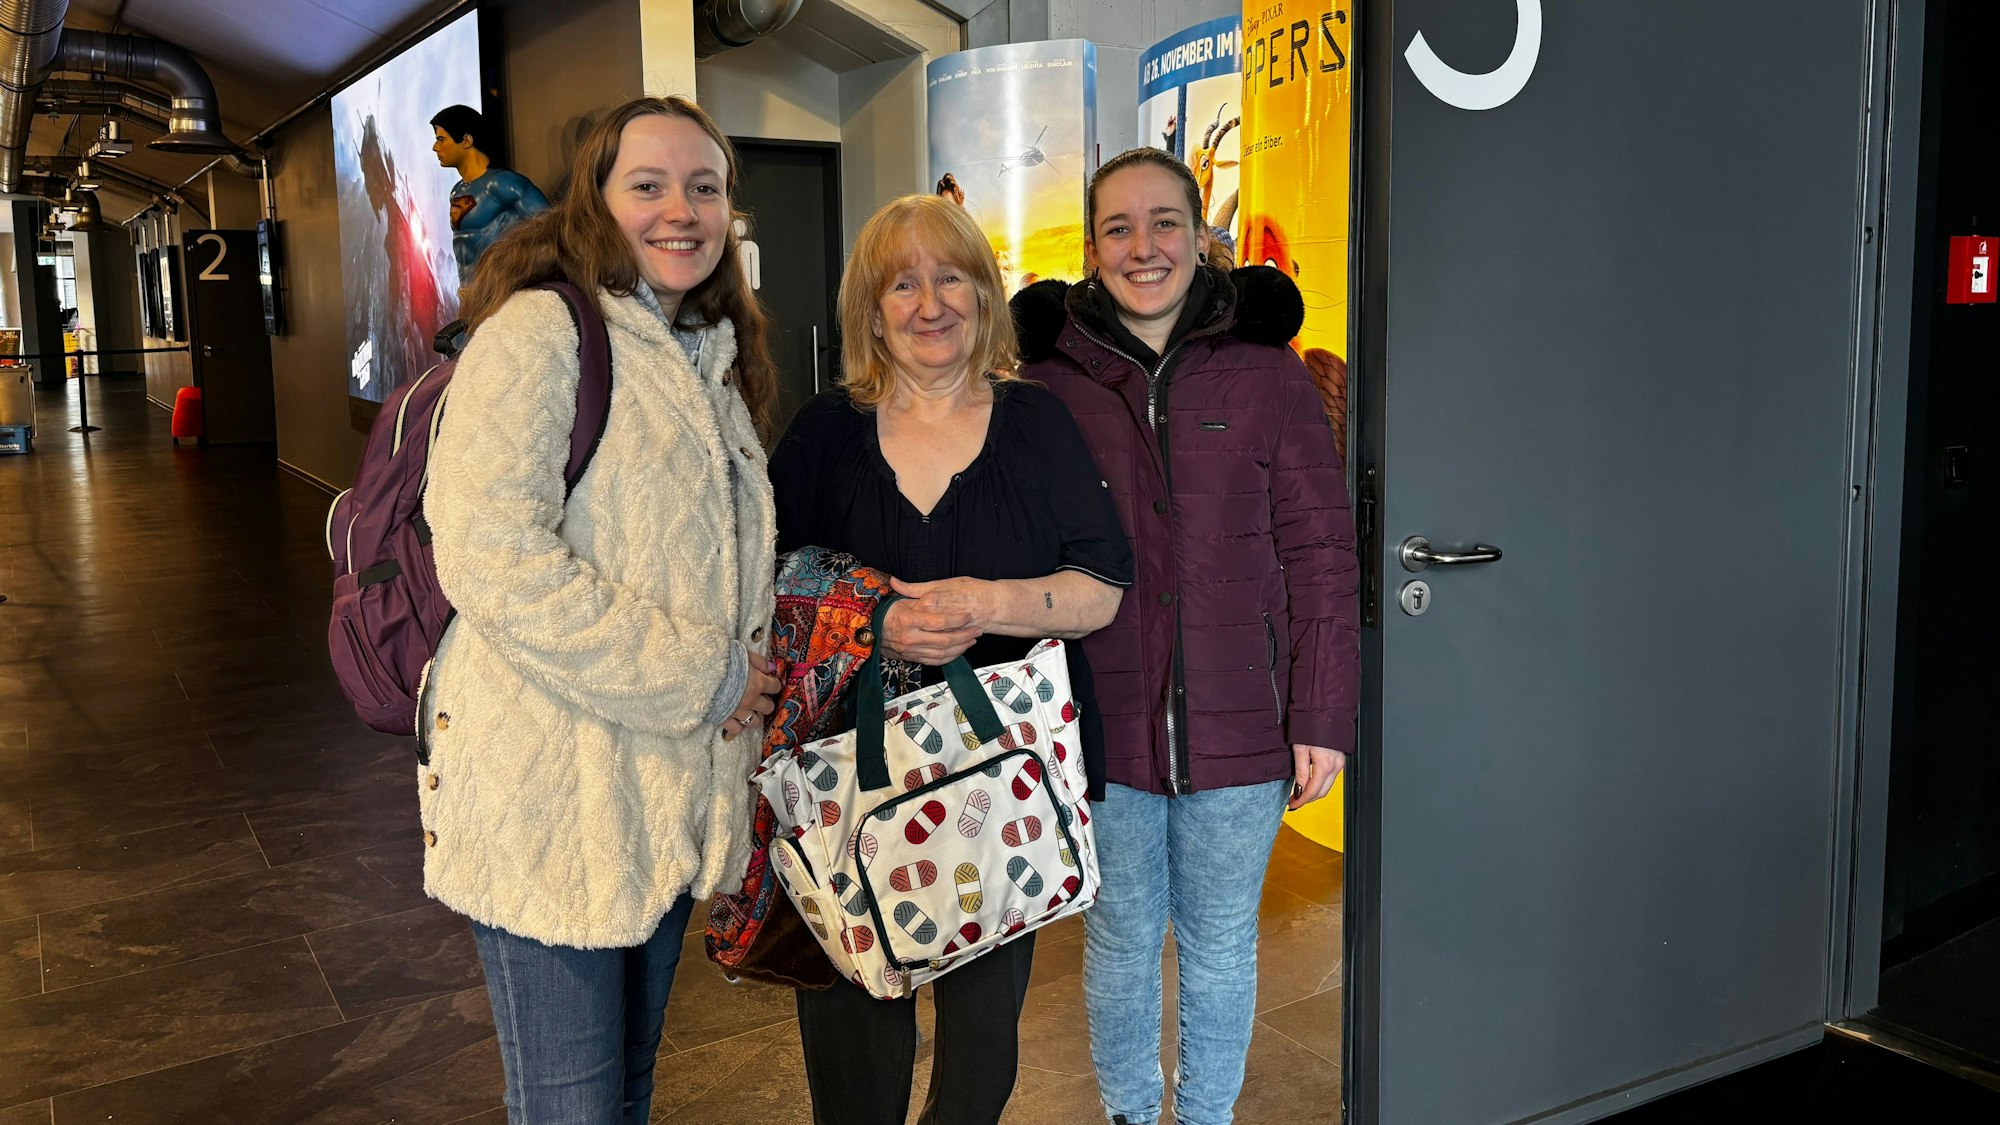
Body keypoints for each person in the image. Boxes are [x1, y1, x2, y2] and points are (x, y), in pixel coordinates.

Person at [418, 95, 782, 1123]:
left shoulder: (703, 351)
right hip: (551, 800)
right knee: (571, 1106)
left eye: (703, 187)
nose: (681, 210)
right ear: (596, 203)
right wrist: (706, 678)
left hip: (657, 801)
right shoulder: (542, 331)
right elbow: (490, 557)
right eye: (649, 186)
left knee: (622, 1090)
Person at [768, 193, 1134, 1125]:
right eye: (903, 283)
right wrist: (871, 619)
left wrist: (991, 603)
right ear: (871, 306)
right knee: (852, 1053)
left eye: (952, 277)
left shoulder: (1037, 422)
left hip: (996, 789)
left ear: (984, 293)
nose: (930, 302)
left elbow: (1103, 585)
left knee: (980, 1062)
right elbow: (757, 584)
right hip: (847, 788)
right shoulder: (822, 432)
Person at [1011, 147, 1359, 1125]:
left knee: (1218, 943)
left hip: (1244, 717)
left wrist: (1321, 712)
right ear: (1089, 249)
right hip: (1100, 727)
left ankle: (1203, 1118)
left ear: (1200, 235)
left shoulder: (1267, 376)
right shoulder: (1045, 385)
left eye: (1162, 221)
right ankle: (1130, 1114)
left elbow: (1322, 551)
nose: (1142, 246)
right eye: (1117, 227)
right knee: (1120, 938)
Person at [431, 103, 551, 285]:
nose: (435, 147)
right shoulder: (456, 191)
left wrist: (519, 279)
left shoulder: (502, 183)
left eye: (441, 139)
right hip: (471, 300)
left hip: (505, 296)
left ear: (466, 140)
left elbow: (552, 231)